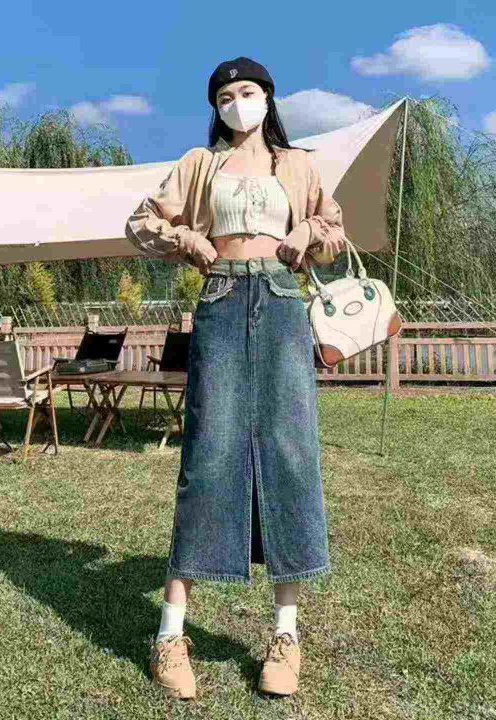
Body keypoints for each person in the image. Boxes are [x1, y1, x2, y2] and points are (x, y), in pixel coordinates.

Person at [125, 56, 347, 700]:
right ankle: (170, 633)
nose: (236, 103)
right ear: (215, 106)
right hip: (221, 298)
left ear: (268, 97)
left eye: (247, 91)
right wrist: (189, 242)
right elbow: (142, 222)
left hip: (281, 301)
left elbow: (335, 233)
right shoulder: (200, 164)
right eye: (224, 95)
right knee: (208, 454)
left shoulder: (298, 164)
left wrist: (307, 231)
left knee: (290, 452)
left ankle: (286, 634)